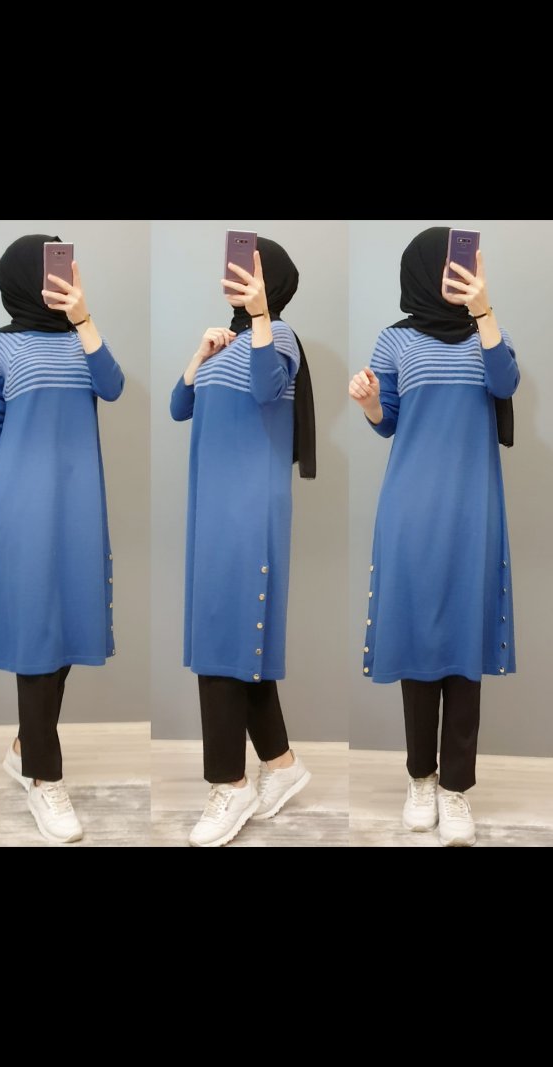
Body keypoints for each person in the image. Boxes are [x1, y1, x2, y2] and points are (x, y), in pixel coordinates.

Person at [349, 227, 520, 847]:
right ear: (423, 270)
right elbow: (389, 421)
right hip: (411, 507)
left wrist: (485, 310)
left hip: (473, 507)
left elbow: (505, 385)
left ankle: (456, 789)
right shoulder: (394, 339)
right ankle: (421, 779)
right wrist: (371, 403)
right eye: (447, 265)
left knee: (463, 646)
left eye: (465, 264)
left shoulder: (487, 332)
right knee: (420, 644)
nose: (457, 274)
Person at [0, 235, 124, 844]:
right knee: (35, 638)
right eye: (52, 268)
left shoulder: (83, 337)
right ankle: (45, 780)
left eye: (68, 266)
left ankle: (27, 745)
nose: (64, 276)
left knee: (66, 629)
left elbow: (113, 387)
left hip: (78, 506)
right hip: (19, 506)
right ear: (24, 278)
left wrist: (84, 317)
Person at [171, 237, 316, 847]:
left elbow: (264, 390)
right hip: (212, 508)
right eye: (233, 270)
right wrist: (199, 355)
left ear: (270, 280)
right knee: (231, 638)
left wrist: (258, 317)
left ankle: (229, 785)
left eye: (248, 271)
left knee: (222, 641)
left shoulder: (278, 337)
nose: (234, 277)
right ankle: (281, 766)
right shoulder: (225, 340)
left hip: (249, 508)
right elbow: (179, 406)